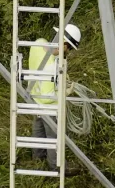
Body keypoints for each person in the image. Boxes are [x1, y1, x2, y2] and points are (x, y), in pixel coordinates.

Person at [28, 23, 81, 174]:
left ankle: (37, 158)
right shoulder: (51, 67)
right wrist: (64, 92)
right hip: (48, 107)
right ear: (64, 45)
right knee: (53, 137)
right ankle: (55, 166)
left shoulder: (38, 44)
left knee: (38, 129)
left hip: (34, 98)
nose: (68, 52)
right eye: (69, 48)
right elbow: (47, 97)